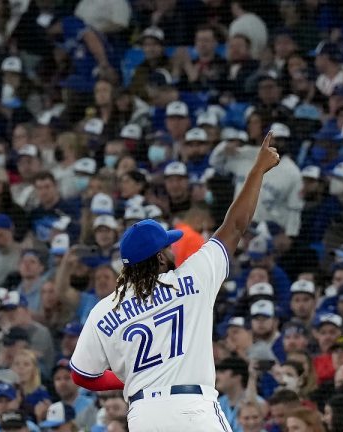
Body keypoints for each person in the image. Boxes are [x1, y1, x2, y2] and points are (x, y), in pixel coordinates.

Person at [69, 131, 281, 430]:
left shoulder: (104, 310)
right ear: (158, 257)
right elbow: (234, 225)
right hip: (192, 408)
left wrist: (131, 375)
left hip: (144, 414)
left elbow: (82, 376)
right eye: (167, 247)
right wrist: (257, 170)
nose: (172, 249)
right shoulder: (192, 277)